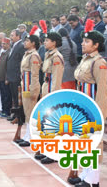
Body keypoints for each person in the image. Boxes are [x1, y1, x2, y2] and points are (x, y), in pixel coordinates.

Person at [69, 19, 107, 187]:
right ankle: (85, 175)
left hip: (93, 108)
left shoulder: (99, 62)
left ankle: (93, 180)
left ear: (96, 45)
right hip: (82, 108)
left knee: (94, 143)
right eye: (83, 41)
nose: (83, 44)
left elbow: (102, 90)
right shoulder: (85, 59)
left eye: (87, 41)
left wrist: (98, 113)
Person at [37, 30, 64, 164]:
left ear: (54, 43)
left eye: (47, 40)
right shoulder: (48, 55)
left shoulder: (56, 57)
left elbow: (57, 78)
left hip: (51, 89)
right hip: (45, 87)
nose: (45, 42)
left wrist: (53, 96)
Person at [18, 26, 42, 147]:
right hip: (25, 86)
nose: (25, 42)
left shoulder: (34, 56)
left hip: (30, 86)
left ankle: (31, 137)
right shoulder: (27, 54)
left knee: (31, 112)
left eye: (27, 41)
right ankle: (28, 135)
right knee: (27, 112)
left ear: (33, 43)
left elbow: (35, 74)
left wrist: (34, 89)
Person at [6, 29, 25, 121]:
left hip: (16, 75)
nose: (11, 37)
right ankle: (16, 115)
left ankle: (19, 116)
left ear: (18, 36)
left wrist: (19, 74)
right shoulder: (14, 45)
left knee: (18, 97)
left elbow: (21, 61)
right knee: (14, 96)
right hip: (11, 76)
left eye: (12, 35)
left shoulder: (21, 46)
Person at [0, 38, 12, 118]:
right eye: (2, 44)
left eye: (4, 44)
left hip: (4, 78)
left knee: (6, 95)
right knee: (2, 94)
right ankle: (3, 110)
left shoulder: (9, 53)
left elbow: (8, 67)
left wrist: (7, 78)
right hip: (0, 77)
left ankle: (6, 111)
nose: (2, 45)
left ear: (8, 45)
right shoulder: (2, 52)